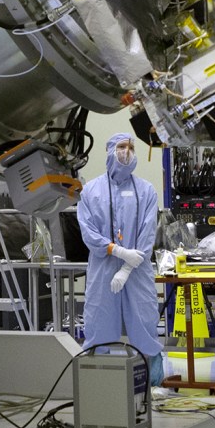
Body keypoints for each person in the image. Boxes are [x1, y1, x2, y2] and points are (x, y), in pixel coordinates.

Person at [76, 133, 163, 386]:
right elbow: (88, 231)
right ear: (110, 151)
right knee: (99, 324)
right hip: (103, 268)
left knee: (144, 322)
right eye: (121, 147)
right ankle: (97, 384)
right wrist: (117, 250)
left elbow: (147, 235)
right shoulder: (91, 191)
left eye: (131, 147)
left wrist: (126, 267)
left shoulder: (146, 190)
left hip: (136, 271)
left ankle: (152, 385)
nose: (127, 152)